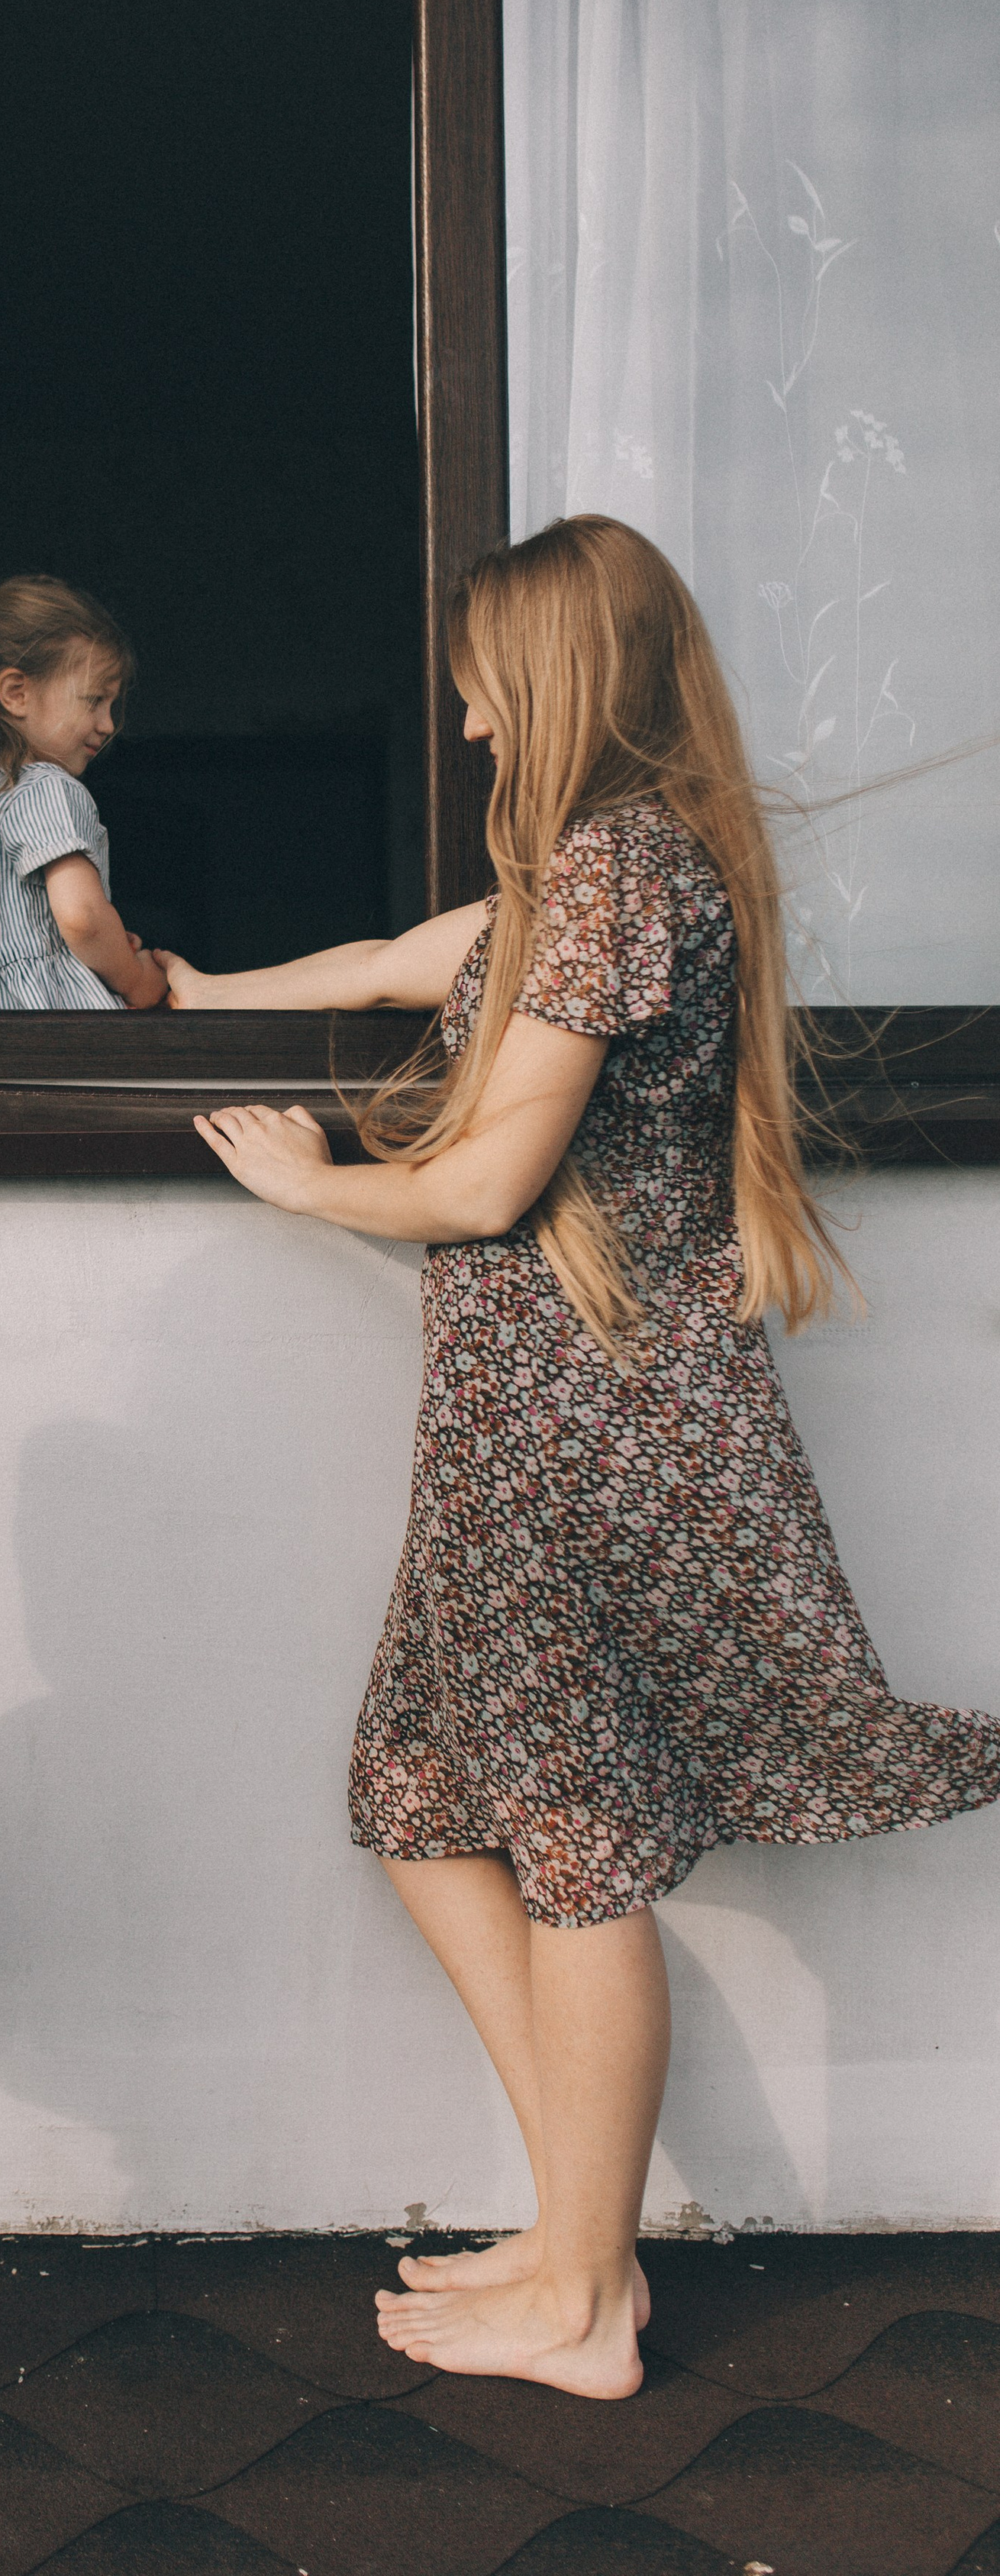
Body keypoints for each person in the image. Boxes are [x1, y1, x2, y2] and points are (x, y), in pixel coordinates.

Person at [160, 515, 1000, 2401]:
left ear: (546, 679)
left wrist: (313, 1184)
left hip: (579, 1421)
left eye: (473, 678)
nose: (455, 717)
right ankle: (572, 2229)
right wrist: (176, 994)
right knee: (419, 1792)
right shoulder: (586, 875)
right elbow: (397, 963)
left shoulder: (621, 873)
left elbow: (482, 1176)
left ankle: (580, 2285)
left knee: (572, 1848)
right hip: (527, 1414)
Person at [0, 552, 167, 1009]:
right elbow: (81, 919)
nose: (108, 724)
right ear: (16, 693)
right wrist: (135, 976)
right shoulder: (45, 788)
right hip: (41, 1012)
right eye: (94, 700)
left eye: (112, 706)